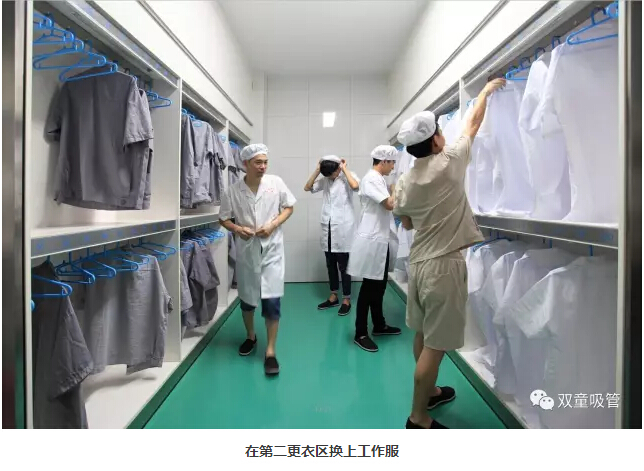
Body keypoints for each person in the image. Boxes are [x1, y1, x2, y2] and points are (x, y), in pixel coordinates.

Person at [394, 78, 506, 429]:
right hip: (443, 267)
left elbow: (407, 223)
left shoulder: (405, 181)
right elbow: (472, 124)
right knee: (436, 345)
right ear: (436, 140)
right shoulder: (449, 162)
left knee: (423, 334)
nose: (444, 135)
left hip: (419, 263)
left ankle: (430, 392)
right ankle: (418, 418)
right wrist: (484, 92)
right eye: (440, 131)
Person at [218, 143, 296, 376]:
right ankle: (251, 336)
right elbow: (223, 218)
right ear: (246, 164)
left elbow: (289, 207)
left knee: (272, 301)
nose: (263, 166)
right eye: (258, 163)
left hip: (271, 250)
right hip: (247, 251)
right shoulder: (232, 191)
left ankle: (270, 351)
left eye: (265, 162)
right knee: (248, 301)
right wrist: (237, 228)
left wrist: (273, 224)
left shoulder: (276, 183)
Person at [347, 145, 402, 352]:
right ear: (383, 161)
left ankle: (379, 324)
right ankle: (360, 333)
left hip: (381, 240)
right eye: (392, 163)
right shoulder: (371, 179)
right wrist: (396, 189)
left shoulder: (378, 179)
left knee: (379, 286)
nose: (393, 167)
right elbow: (389, 204)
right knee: (369, 288)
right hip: (373, 240)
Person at [304, 155, 360, 315]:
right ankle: (333, 296)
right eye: (327, 174)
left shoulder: (348, 177)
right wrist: (317, 170)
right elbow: (307, 187)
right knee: (330, 264)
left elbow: (355, 186)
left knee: (344, 265)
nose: (330, 177)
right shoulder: (326, 179)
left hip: (343, 228)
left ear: (338, 168)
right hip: (327, 227)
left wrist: (344, 169)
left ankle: (346, 299)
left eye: (333, 173)